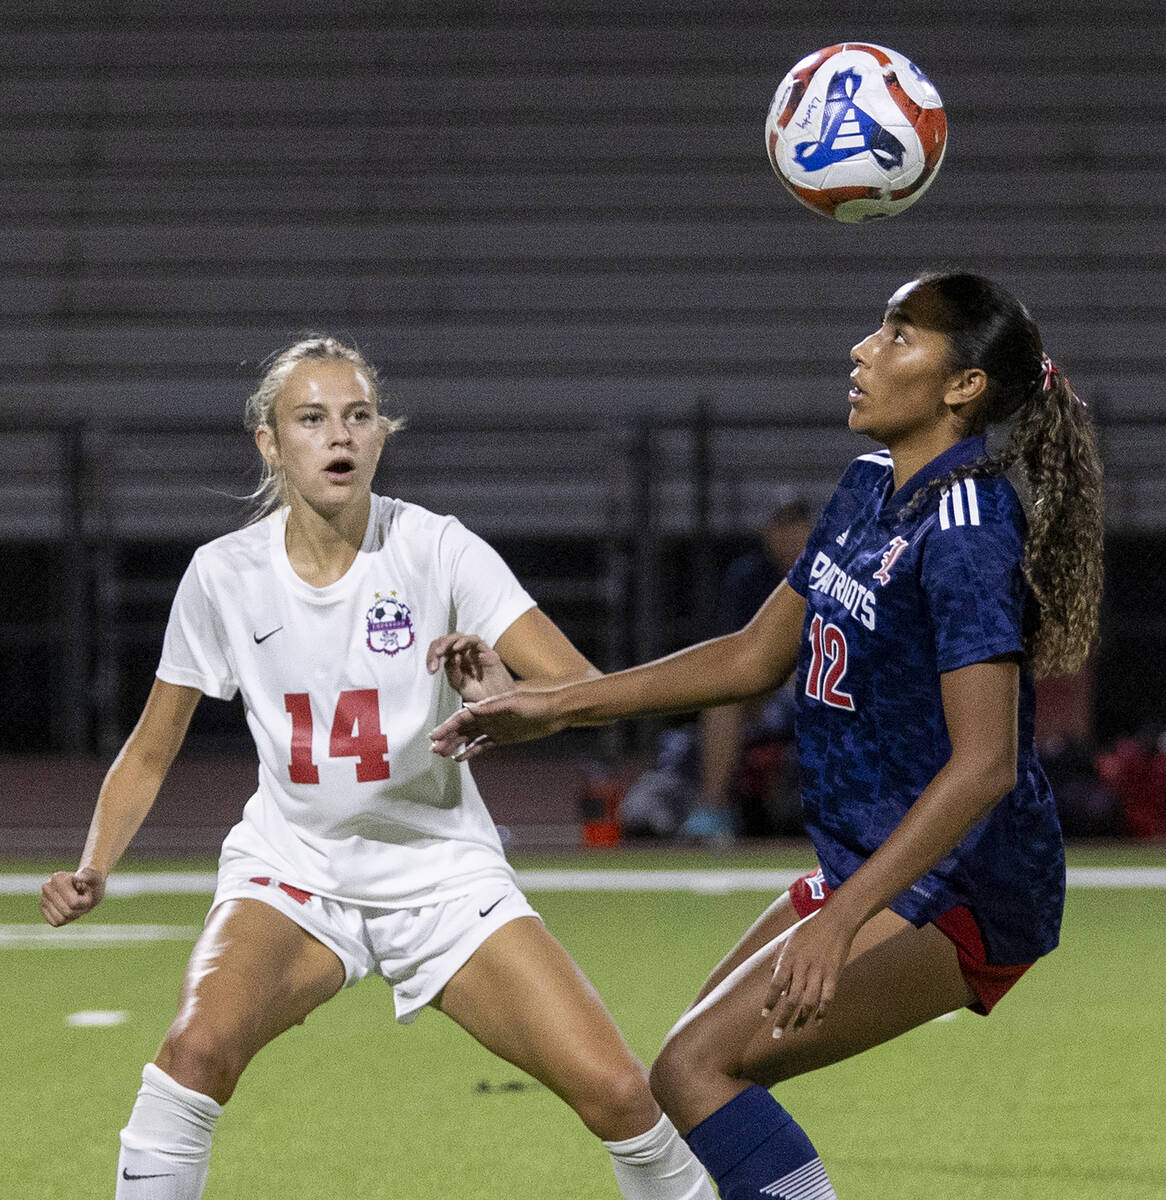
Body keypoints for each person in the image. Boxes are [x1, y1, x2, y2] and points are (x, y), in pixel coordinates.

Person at [430, 272, 1104, 1199]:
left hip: (968, 884)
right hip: (877, 856)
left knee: (697, 1072)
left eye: (899, 336)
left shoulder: (968, 530)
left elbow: (984, 766)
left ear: (965, 387)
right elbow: (753, 657)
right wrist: (557, 705)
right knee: (687, 1076)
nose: (863, 351)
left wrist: (842, 917)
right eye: (877, 328)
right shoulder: (870, 488)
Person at [39, 337, 714, 1200]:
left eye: (357, 416)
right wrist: (95, 865)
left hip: (440, 873)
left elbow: (580, 688)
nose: (338, 436)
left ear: (381, 436)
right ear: (270, 443)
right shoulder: (223, 575)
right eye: (311, 419)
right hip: (294, 871)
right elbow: (151, 745)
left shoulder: (436, 548)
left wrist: (500, 702)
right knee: (195, 1049)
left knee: (619, 1093)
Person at [683, 495, 812, 843]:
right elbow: (736, 649)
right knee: (723, 697)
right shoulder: (749, 576)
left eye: (795, 523)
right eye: (779, 525)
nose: (788, 534)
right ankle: (713, 810)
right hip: (772, 686)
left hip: (829, 682)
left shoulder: (836, 567)